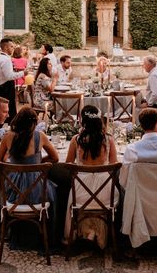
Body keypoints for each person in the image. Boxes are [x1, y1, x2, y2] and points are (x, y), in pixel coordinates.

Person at [64, 106, 118, 247]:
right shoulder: (109, 140)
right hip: (105, 194)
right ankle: (96, 232)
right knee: (117, 195)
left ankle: (87, 231)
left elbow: (68, 164)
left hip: (81, 193)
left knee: (73, 196)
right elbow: (114, 165)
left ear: (83, 122)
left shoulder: (76, 140)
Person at [0, 106, 58, 201]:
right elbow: (55, 158)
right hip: (37, 188)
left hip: (13, 187)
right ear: (34, 123)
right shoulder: (40, 136)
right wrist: (38, 162)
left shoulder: (7, 137)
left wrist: (12, 164)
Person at [0, 38, 25, 121]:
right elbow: (9, 76)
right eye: (11, 46)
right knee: (9, 112)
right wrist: (23, 73)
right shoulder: (6, 59)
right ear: (6, 47)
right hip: (6, 88)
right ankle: (11, 131)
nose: (13, 48)